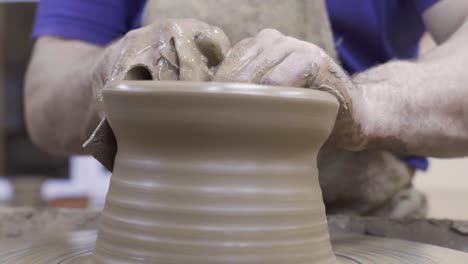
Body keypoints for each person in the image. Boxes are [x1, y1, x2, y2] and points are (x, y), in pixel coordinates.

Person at [25, 0, 468, 217]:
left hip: (357, 229)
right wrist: (107, 72)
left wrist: (364, 102)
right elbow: (43, 102)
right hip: (155, 231)